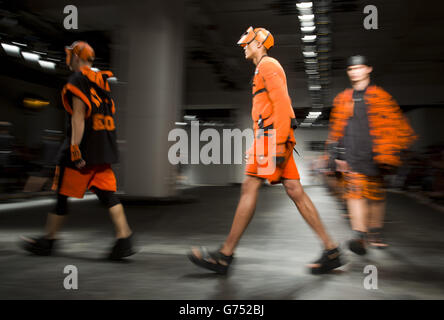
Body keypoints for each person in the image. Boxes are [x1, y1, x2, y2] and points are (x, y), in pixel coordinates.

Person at [188, 27, 343, 275]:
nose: (244, 47)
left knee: (249, 187)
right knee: (295, 191)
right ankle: (332, 250)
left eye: (247, 43)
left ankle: (225, 255)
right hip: (272, 135)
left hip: (272, 136)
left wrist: (278, 143)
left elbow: (283, 104)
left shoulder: (268, 65)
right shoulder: (263, 67)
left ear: (258, 44)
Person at [21, 41, 135, 260]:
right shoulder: (101, 81)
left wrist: (74, 148)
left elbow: (78, 117)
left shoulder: (77, 80)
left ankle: (48, 241)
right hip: (102, 149)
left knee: (61, 196)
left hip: (83, 150)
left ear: (75, 57)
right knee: (108, 195)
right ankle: (124, 237)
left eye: (70, 57)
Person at [327, 55, 416, 254]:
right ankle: (360, 236)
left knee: (375, 196)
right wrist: (337, 156)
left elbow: (395, 125)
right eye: (351, 69)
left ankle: (374, 232)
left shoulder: (381, 96)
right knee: (354, 194)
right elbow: (338, 129)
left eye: (359, 68)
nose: (355, 72)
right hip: (352, 154)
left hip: (376, 155)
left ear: (369, 69)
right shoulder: (343, 98)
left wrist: (390, 153)